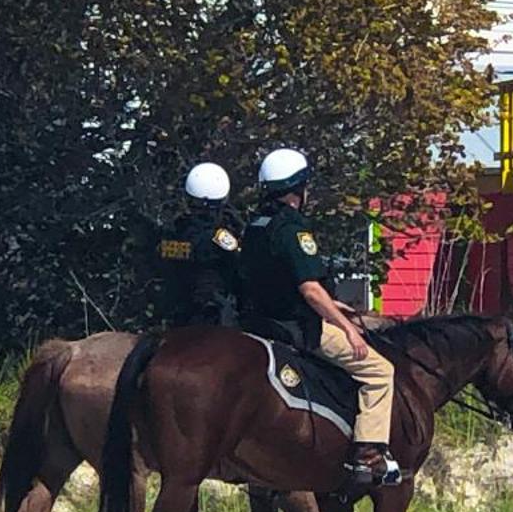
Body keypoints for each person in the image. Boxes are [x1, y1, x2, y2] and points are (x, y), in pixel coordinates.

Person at [241, 148, 400, 493]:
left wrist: (336, 305)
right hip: (296, 329)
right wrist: (349, 330)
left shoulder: (253, 225)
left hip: (257, 324)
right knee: (380, 371)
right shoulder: (294, 230)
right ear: (298, 189)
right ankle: (367, 454)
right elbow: (310, 290)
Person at [154, 162, 243, 327]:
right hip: (214, 315)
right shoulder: (220, 236)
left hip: (174, 315)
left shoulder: (173, 233)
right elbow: (239, 266)